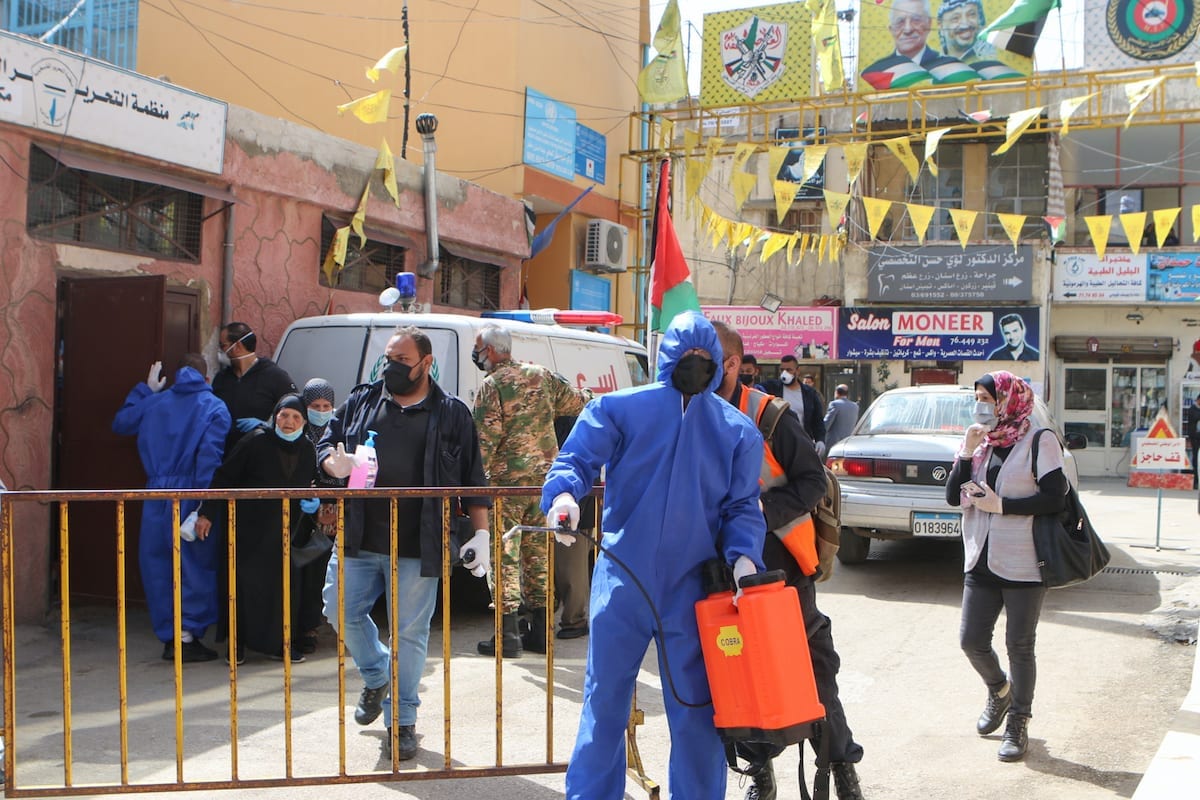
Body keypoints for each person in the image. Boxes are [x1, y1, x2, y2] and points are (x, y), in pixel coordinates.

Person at [540, 310, 766, 800]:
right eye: (688, 357)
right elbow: (576, 459)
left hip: (694, 588)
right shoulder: (620, 409)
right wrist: (562, 498)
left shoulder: (737, 430)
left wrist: (745, 557)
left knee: (696, 708)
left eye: (706, 359)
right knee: (605, 701)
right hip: (624, 575)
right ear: (667, 356)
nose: (696, 365)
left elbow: (743, 505)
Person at [317, 325, 491, 762]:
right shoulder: (361, 399)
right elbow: (325, 439)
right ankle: (377, 675)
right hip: (358, 534)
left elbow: (473, 477)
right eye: (389, 359)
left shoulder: (451, 413)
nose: (391, 368)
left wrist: (482, 533)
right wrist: (330, 463)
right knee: (338, 609)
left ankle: (403, 720)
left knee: (410, 634)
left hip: (419, 541)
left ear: (426, 364)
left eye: (401, 361)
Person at [712, 322, 865, 800]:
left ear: (733, 365)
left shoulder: (770, 415)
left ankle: (840, 765)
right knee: (740, 671)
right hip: (718, 574)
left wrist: (758, 513)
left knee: (814, 670)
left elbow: (813, 482)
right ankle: (759, 770)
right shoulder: (685, 412)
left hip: (781, 573)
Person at [944, 371, 1067, 763]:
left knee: (1019, 645)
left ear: (1008, 400)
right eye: (977, 397)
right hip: (980, 556)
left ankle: (1018, 721)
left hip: (1024, 560)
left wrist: (1004, 506)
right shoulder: (981, 442)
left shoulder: (1039, 441)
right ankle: (1000, 691)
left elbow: (1055, 499)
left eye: (987, 397)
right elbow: (952, 497)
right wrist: (965, 452)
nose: (981, 405)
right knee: (970, 640)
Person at [470, 323, 591, 656]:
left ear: (491, 352)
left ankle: (507, 635)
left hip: (505, 488)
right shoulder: (543, 376)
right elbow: (580, 403)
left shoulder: (492, 386)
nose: (477, 355)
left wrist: (473, 483)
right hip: (544, 485)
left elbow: (484, 442)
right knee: (538, 557)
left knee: (503, 556)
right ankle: (540, 632)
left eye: (478, 348)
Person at [112, 355, 231, 663]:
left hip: (155, 494)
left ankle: (171, 636)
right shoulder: (214, 407)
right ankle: (188, 636)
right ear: (207, 378)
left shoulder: (155, 402)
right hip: (192, 493)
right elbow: (210, 459)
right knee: (194, 565)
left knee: (158, 565)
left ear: (176, 376)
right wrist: (206, 505)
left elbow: (122, 423)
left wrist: (145, 391)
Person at [194, 394, 318, 665]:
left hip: (285, 533)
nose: (288, 422)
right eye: (284, 415)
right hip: (248, 531)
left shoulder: (308, 449)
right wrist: (206, 513)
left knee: (283, 589)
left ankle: (279, 644)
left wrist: (313, 499)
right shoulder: (255, 441)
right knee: (243, 588)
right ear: (275, 416)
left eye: (296, 417)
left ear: (304, 423)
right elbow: (223, 477)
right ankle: (236, 646)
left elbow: (310, 482)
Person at [298, 377, 340, 655]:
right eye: (315, 405)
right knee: (310, 571)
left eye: (327, 406)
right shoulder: (298, 433)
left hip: (337, 509)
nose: (322, 411)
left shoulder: (341, 431)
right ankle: (308, 627)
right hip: (307, 514)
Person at [211, 322, 297, 452]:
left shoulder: (274, 376)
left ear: (237, 346)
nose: (221, 351)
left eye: (223, 346)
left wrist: (268, 426)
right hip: (225, 455)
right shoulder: (222, 378)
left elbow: (297, 411)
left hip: (260, 453)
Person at [767, 355, 827, 446]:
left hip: (803, 443)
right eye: (782, 370)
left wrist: (820, 440)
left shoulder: (809, 393)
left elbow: (817, 420)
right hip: (779, 443)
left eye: (789, 370)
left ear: (797, 371)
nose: (785, 373)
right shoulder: (773, 389)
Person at [823, 384, 861, 453]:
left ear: (836, 392)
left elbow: (826, 423)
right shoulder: (855, 406)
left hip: (833, 443)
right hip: (848, 443)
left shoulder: (834, 404)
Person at [1187, 393, 1200, 491]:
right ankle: (1195, 481)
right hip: (1195, 438)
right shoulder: (1192, 409)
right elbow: (1194, 420)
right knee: (1196, 459)